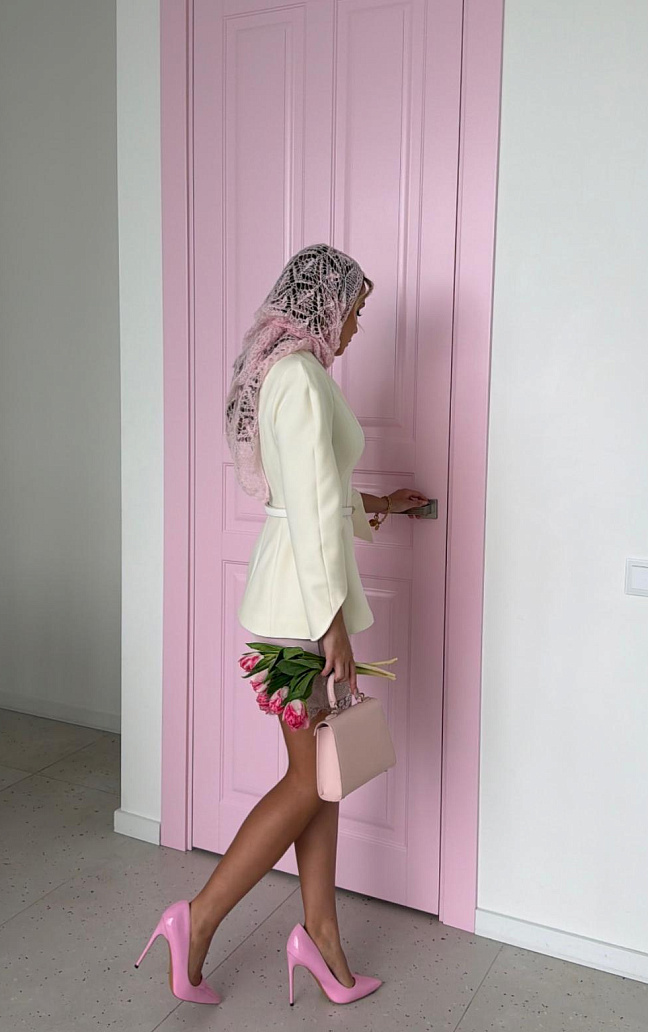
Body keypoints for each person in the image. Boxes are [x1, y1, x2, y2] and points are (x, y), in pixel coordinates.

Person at [134, 243, 428, 1006]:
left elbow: (315, 492)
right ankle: (197, 918)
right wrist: (333, 627)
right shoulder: (296, 376)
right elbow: (307, 513)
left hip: (302, 601)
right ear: (324, 302)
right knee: (308, 782)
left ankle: (321, 939)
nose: (356, 325)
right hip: (302, 610)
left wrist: (380, 506)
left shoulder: (297, 372)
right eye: (354, 309)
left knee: (323, 780)